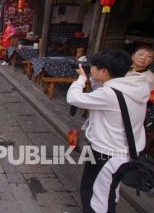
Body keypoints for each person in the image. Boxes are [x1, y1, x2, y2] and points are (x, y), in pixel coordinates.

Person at [66, 50, 150, 213]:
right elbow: (105, 88)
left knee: (94, 198)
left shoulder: (109, 95)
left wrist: (81, 78)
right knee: (109, 194)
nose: (91, 69)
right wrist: (94, 78)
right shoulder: (136, 87)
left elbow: (73, 98)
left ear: (104, 71)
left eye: (94, 66)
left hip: (106, 154)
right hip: (124, 153)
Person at [127, 46, 154, 155]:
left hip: (135, 112)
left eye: (149, 57)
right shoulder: (122, 70)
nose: (144, 58)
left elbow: (151, 100)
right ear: (133, 56)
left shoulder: (151, 78)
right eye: (141, 54)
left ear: (152, 61)